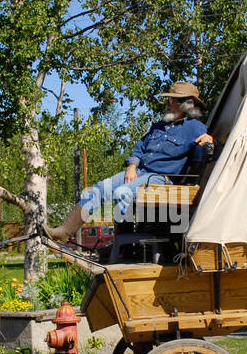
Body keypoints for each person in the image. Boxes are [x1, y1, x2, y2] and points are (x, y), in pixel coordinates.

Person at [46, 82, 214, 241]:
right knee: (97, 189)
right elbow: (139, 148)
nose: (167, 103)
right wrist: (132, 167)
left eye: (172, 100)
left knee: (122, 193)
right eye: (168, 99)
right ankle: (64, 232)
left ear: (186, 104)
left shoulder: (195, 127)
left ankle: (122, 245)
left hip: (162, 178)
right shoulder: (158, 126)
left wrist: (209, 139)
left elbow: (212, 144)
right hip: (141, 172)